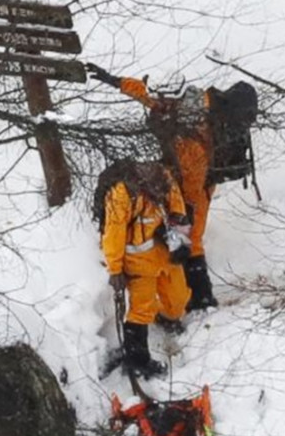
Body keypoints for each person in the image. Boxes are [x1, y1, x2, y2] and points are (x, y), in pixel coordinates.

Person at [86, 64, 221, 310]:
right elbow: (142, 92)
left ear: (175, 99)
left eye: (161, 100)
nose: (155, 102)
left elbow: (193, 179)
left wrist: (184, 211)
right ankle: (184, 294)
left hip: (196, 187)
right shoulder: (168, 103)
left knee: (192, 239)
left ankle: (202, 299)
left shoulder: (193, 133)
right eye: (155, 98)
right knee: (184, 235)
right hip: (177, 177)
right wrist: (114, 80)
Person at [94, 159, 192, 378]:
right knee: (141, 310)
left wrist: (181, 240)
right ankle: (138, 360)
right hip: (137, 262)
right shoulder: (122, 193)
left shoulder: (165, 178)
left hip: (165, 256)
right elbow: (114, 232)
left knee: (177, 301)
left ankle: (165, 317)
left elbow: (178, 208)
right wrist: (116, 269)